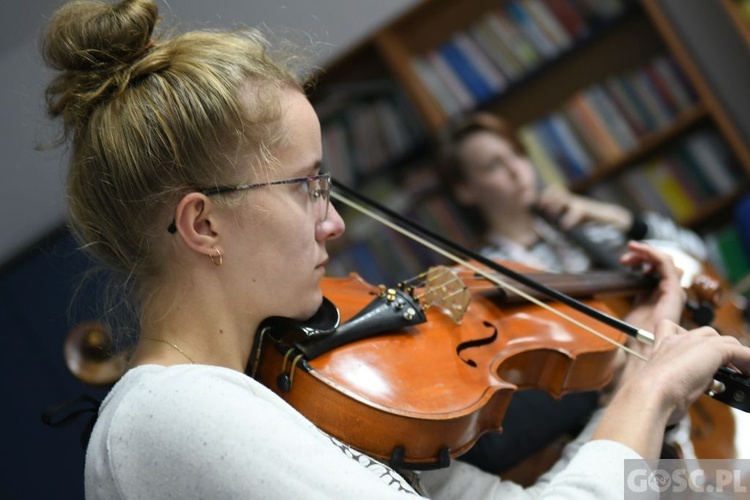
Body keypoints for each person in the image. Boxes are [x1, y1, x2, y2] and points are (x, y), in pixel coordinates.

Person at [41, 1, 750, 498]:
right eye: (306, 187)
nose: (334, 224)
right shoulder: (167, 416)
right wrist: (650, 392)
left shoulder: (302, 397)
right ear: (203, 225)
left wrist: (652, 399)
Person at [435, 111, 712, 477]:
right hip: (600, 421)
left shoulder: (582, 229)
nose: (518, 171)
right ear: (466, 190)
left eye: (517, 155)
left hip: (680, 394)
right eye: (493, 166)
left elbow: (694, 255)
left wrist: (613, 216)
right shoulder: (485, 277)